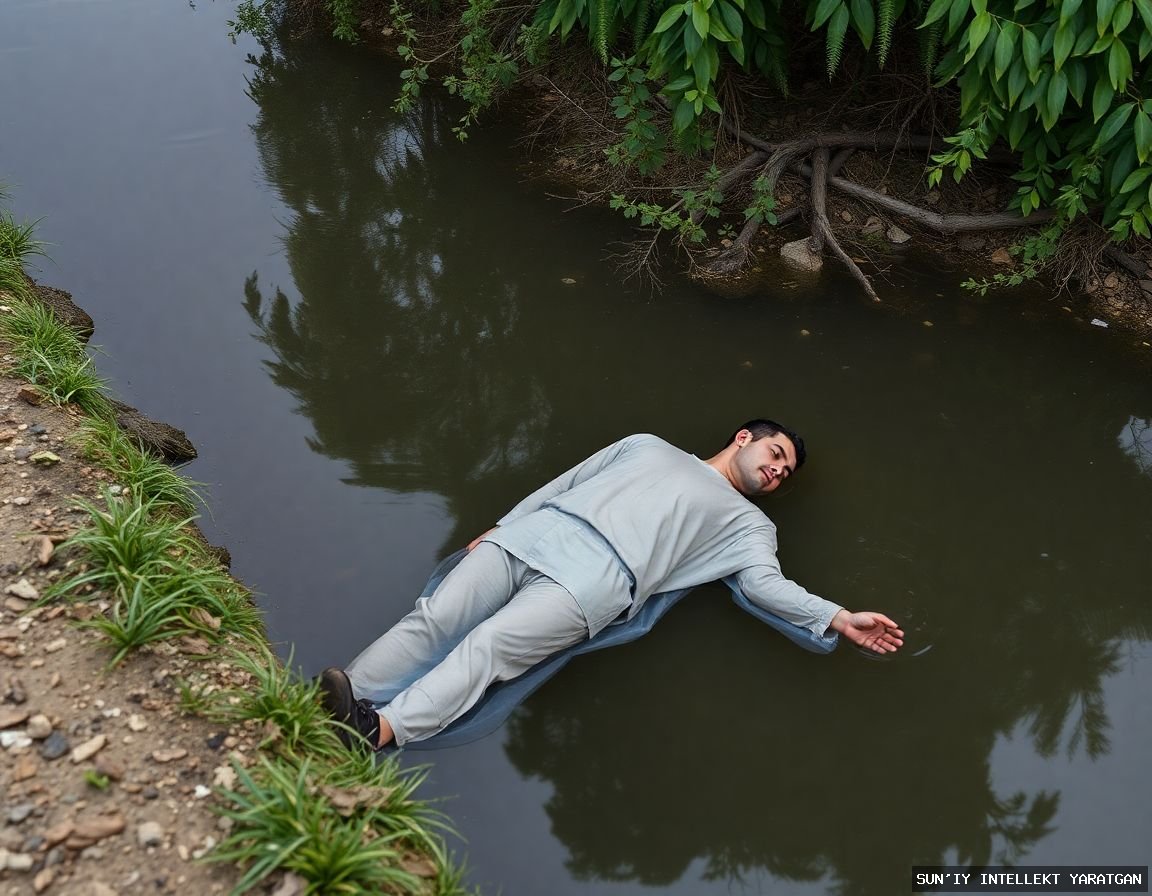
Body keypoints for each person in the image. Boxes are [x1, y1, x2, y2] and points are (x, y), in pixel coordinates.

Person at [319, 420, 904, 750]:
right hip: (536, 533)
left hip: (597, 582)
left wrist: (836, 616)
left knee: (489, 650)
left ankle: (377, 730)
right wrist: (504, 523)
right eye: (776, 454)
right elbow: (566, 480)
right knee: (434, 616)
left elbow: (764, 585)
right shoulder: (648, 445)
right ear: (745, 436)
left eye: (784, 474)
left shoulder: (749, 524)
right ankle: (337, 702)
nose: (777, 471)